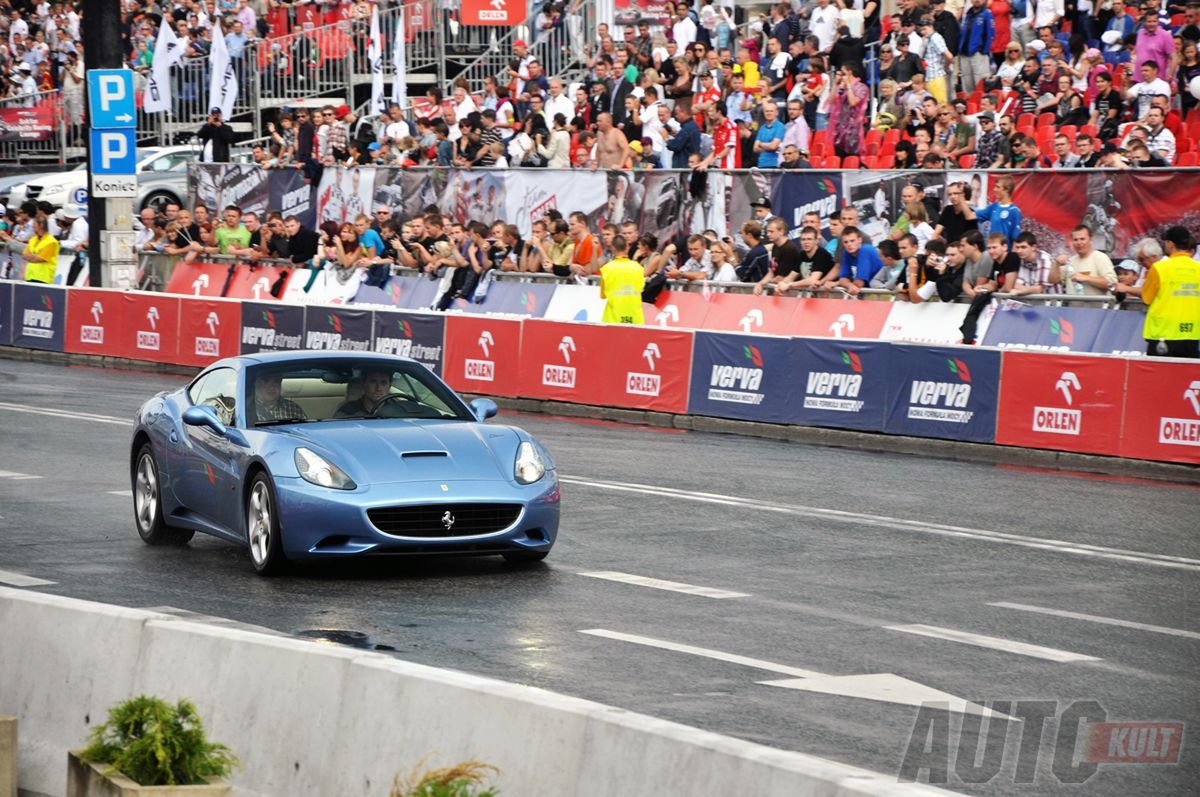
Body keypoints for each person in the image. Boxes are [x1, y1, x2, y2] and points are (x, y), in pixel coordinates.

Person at [1142, 226, 1200, 357]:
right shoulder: (1198, 269)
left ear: (1170, 244)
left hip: (1163, 334)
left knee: (1159, 376)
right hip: (1192, 335)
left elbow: (1146, 298)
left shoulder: (1159, 268)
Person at [1055, 224, 1117, 296]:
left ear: (1090, 239)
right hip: (1072, 306)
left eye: (1082, 239)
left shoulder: (1101, 257)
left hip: (1095, 306)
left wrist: (1086, 278)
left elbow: (1112, 285)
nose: (1079, 243)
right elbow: (1053, 280)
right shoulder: (1070, 261)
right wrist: (1056, 264)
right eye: (1075, 240)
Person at [599, 235, 645, 324]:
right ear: (627, 246)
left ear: (613, 248)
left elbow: (603, 296)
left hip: (612, 319)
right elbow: (641, 289)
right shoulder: (639, 268)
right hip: (635, 318)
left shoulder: (606, 269)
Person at [22, 216, 59, 284]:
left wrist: (32, 256)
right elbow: (24, 255)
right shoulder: (32, 239)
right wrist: (36, 255)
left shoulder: (51, 242)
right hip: (30, 276)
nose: (32, 227)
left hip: (43, 278)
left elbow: (40, 259)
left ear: (41, 225)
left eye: (34, 225)